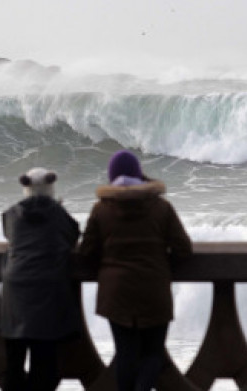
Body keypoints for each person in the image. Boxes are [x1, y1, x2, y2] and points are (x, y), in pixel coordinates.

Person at [78, 150, 192, 391]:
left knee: (125, 354)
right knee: (153, 354)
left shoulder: (101, 209)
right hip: (154, 289)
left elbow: (86, 252)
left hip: (116, 293)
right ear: (139, 174)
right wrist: (162, 267)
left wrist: (107, 266)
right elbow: (183, 249)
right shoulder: (161, 207)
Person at [0, 167, 82, 391]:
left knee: (14, 363)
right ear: (51, 186)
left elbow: (8, 233)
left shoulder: (12, 214)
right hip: (48, 290)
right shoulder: (57, 214)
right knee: (44, 363)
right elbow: (73, 233)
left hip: (15, 291)